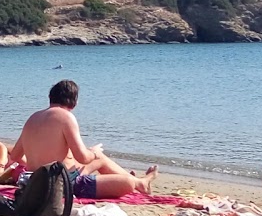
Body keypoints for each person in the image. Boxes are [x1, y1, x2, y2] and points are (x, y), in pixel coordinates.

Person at [10, 80, 158, 200]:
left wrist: (38, 162)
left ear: (51, 98)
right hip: (64, 183)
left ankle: (136, 182)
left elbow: (15, 155)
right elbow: (83, 157)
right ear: (74, 101)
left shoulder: (33, 118)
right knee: (127, 183)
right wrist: (93, 152)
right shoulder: (66, 117)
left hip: (35, 181)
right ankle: (138, 182)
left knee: (101, 159)